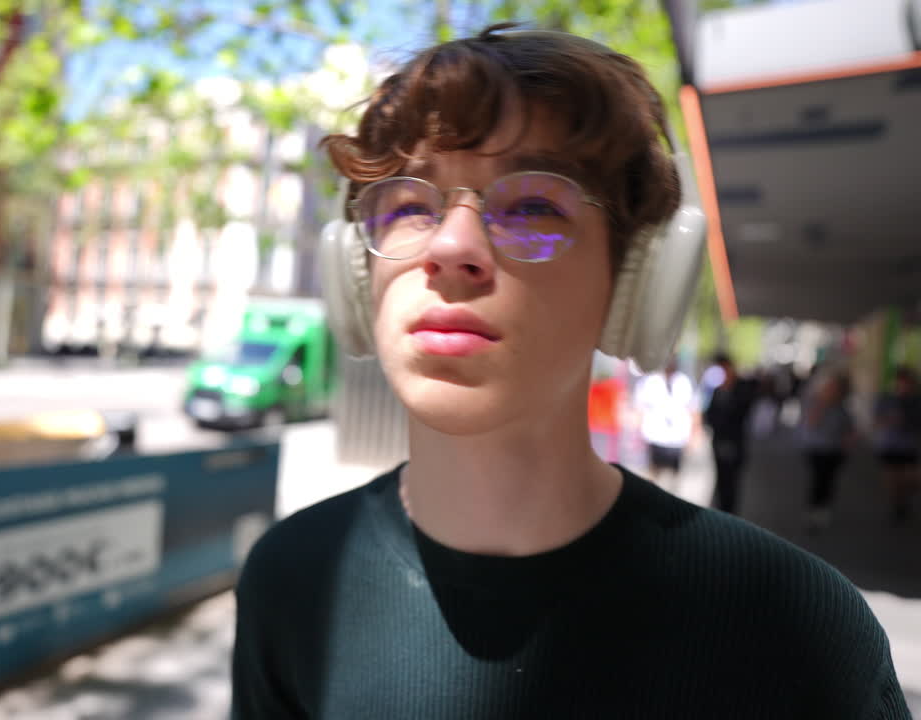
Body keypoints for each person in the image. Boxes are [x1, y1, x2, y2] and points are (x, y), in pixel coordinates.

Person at [230, 24, 908, 719]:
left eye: (531, 207)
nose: (452, 246)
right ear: (356, 272)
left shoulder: (792, 627)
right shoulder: (291, 580)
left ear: (638, 285)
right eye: (407, 208)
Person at [799, 369, 858, 532]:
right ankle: (813, 509)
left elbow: (849, 428)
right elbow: (809, 423)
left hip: (834, 449)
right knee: (818, 479)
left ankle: (823, 508)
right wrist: (822, 404)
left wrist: (849, 442)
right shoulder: (814, 401)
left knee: (829, 480)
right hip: (816, 448)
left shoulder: (841, 406)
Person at [702, 352, 757, 514]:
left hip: (734, 443)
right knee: (721, 481)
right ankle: (721, 510)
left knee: (732, 483)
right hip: (719, 442)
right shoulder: (717, 390)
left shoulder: (742, 388)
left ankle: (731, 513)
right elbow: (709, 415)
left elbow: (743, 412)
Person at [634, 358, 696, 494]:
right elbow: (640, 410)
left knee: (674, 478)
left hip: (677, 439)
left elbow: (693, 410)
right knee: (654, 474)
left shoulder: (683, 382)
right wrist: (638, 435)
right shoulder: (650, 381)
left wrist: (693, 436)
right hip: (655, 436)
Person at [872, 366, 921, 525]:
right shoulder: (887, 398)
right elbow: (877, 419)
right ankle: (897, 504)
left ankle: (903, 499)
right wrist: (889, 420)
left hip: (909, 445)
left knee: (910, 478)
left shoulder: (915, 400)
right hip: (890, 444)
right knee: (893, 478)